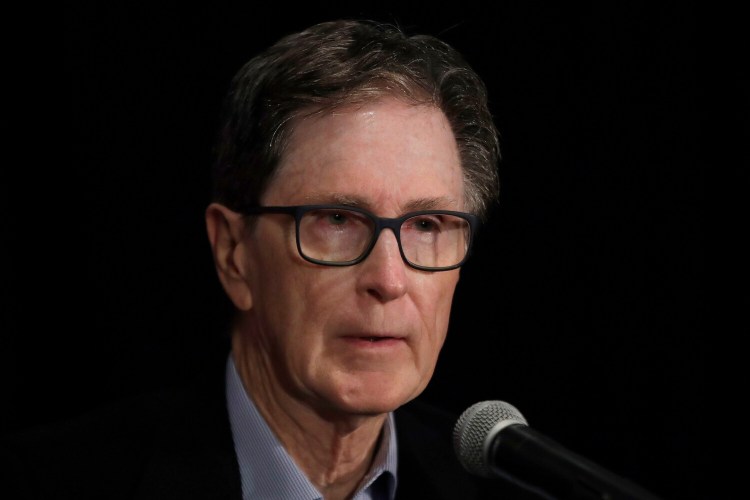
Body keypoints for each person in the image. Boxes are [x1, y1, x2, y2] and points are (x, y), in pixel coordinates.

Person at [2, 19, 534, 500]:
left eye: (426, 226)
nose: (389, 280)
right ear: (234, 254)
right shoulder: (49, 484)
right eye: (337, 220)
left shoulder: (506, 490)